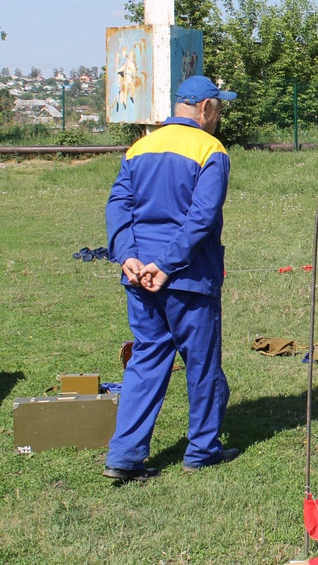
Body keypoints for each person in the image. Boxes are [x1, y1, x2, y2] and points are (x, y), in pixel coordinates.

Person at [103, 76, 239, 481]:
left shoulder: (140, 147)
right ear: (207, 109)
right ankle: (202, 450)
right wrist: (165, 265)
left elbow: (118, 205)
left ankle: (125, 456)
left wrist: (127, 256)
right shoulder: (210, 150)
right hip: (188, 278)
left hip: (140, 276)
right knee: (201, 364)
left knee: (145, 360)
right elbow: (201, 217)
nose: (218, 117)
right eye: (219, 109)